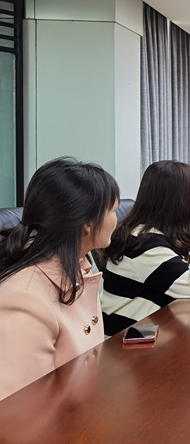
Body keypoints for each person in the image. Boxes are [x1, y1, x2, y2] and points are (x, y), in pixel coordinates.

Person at [0, 158, 120, 400]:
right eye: (113, 211)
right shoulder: (23, 299)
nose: (117, 220)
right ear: (88, 222)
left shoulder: (79, 267)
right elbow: (22, 415)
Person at [101, 161, 190, 337]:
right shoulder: (144, 242)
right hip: (125, 346)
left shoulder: (167, 235)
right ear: (179, 203)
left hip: (153, 330)